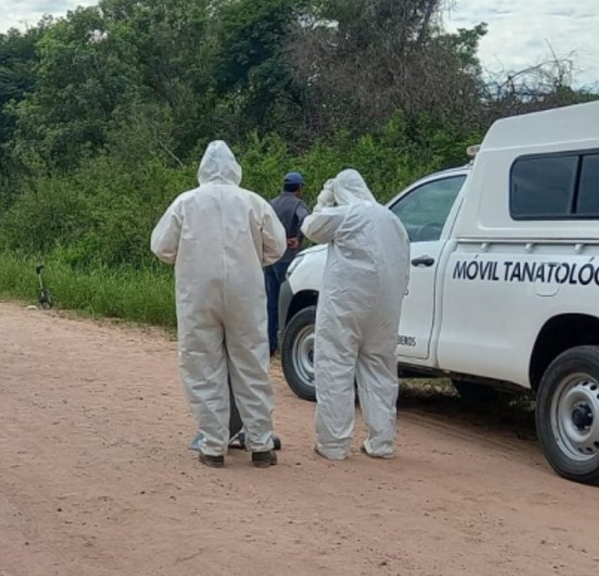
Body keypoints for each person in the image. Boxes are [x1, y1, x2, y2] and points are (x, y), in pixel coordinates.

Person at [151, 140, 286, 468]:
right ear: (235, 168)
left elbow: (161, 247)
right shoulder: (253, 202)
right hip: (246, 291)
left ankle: (213, 445)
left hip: (197, 293)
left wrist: (192, 258)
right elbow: (278, 246)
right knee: (251, 362)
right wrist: (252, 259)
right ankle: (261, 444)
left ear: (202, 169)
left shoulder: (186, 203)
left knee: (202, 362)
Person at [301, 169, 410, 460]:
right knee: (380, 370)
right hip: (385, 307)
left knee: (335, 365)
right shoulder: (392, 220)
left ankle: (333, 444)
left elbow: (311, 228)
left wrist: (323, 200)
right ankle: (382, 443)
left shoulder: (348, 214)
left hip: (345, 304)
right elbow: (404, 261)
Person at [265, 171, 309, 356]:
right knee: (287, 303)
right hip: (288, 259)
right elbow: (305, 219)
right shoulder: (299, 204)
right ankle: (288, 345)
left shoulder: (271, 204)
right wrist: (298, 238)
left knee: (271, 303)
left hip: (269, 259)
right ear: (299, 188)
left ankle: (269, 344)